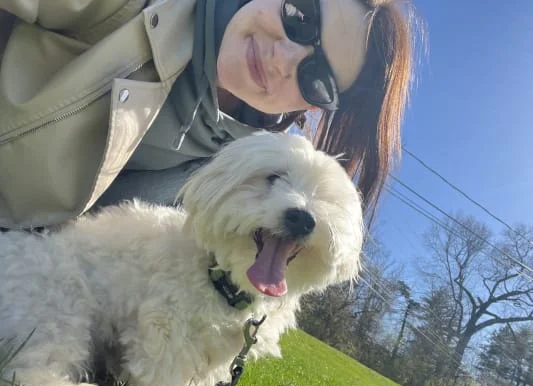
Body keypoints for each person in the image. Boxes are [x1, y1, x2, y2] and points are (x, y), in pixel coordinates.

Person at [0, 0, 414, 229]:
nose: (283, 59)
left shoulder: (251, 177)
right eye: (301, 17)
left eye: (317, 79)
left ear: (310, 106)